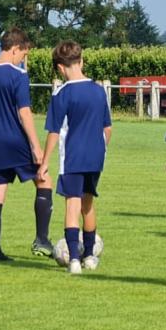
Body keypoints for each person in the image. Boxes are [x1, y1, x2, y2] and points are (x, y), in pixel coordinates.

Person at [0, 27, 54, 262]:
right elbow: (24, 113)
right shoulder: (18, 76)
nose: (24, 59)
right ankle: (41, 239)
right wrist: (36, 146)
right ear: (15, 48)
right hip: (16, 141)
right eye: (24, 54)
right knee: (44, 179)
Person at [38, 41, 112, 274]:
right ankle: (89, 255)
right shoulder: (99, 90)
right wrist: (100, 149)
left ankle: (73, 261)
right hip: (95, 157)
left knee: (72, 205)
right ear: (81, 61)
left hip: (72, 157)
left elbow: (54, 131)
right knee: (88, 204)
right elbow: (107, 129)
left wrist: (44, 162)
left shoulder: (62, 93)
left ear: (60, 68)